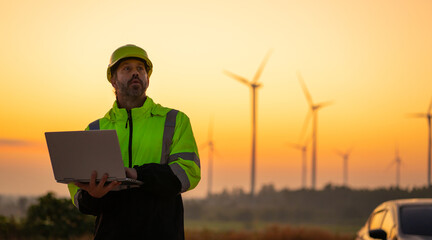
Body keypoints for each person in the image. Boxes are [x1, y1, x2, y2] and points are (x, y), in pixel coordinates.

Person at [67, 44, 201, 239]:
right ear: (113, 80)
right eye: (127, 68)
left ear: (148, 78)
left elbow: (187, 174)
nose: (135, 73)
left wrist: (137, 174)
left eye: (140, 68)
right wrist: (92, 195)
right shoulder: (94, 129)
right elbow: (80, 199)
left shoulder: (175, 121)